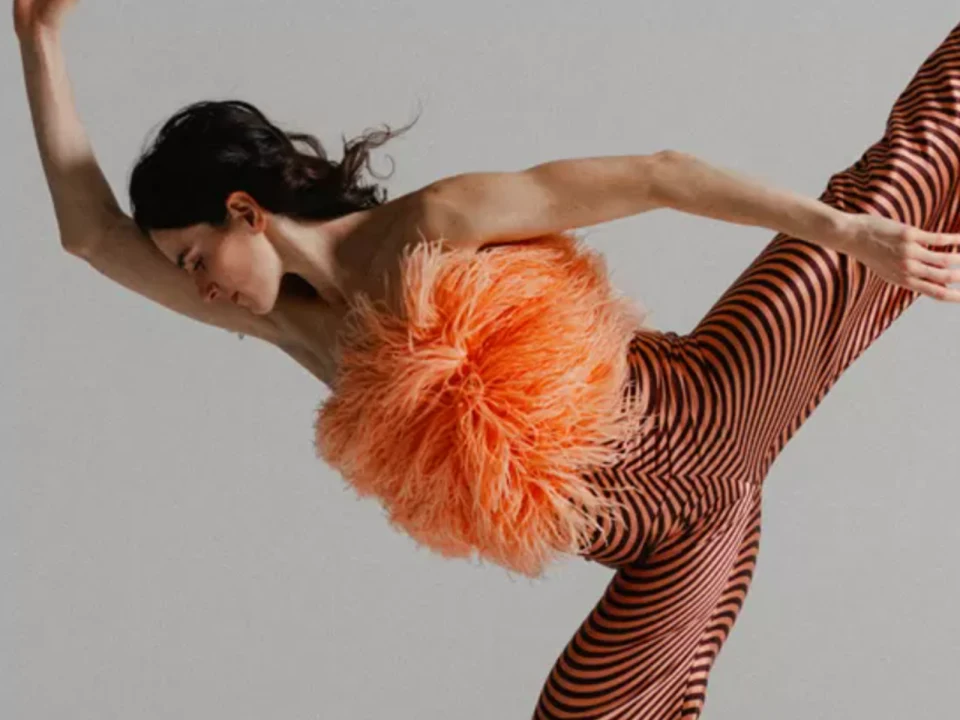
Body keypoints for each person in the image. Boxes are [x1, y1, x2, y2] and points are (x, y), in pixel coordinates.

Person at [15, 1, 960, 717]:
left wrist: (843, 233)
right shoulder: (297, 330)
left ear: (244, 211)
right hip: (673, 553)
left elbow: (661, 175)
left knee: (906, 174)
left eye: (196, 259)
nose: (199, 287)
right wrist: (37, 43)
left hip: (715, 401)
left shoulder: (432, 224)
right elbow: (94, 239)